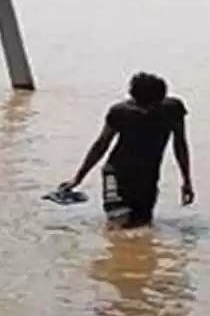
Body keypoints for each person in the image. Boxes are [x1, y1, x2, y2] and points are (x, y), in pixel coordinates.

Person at [61, 72, 194, 228]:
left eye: (153, 105)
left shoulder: (173, 110)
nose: (147, 110)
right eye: (142, 105)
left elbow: (180, 144)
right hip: (116, 174)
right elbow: (102, 144)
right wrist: (78, 178)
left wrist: (186, 181)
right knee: (118, 224)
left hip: (148, 177)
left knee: (143, 225)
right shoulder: (121, 112)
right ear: (134, 100)